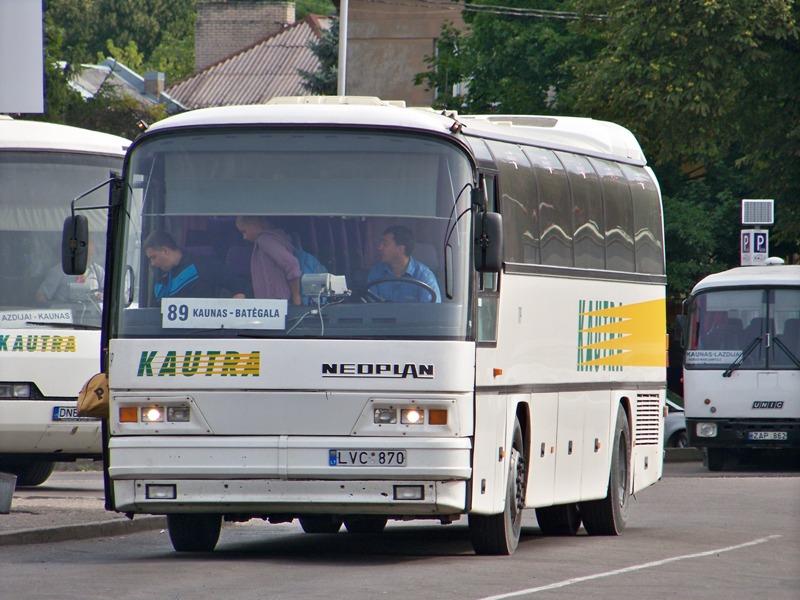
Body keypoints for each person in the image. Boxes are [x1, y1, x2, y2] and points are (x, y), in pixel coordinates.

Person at [143, 231, 247, 300]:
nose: (153, 264)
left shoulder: (204, 265)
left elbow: (239, 288)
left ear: (165, 251)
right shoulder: (160, 282)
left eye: (153, 257)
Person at [235, 216, 302, 305]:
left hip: (275, 302)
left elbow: (292, 264)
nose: (245, 237)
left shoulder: (264, 240)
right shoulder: (277, 238)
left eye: (244, 231)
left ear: (254, 224)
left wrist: (296, 296)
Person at [366, 225, 441, 303]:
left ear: (400, 249)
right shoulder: (376, 272)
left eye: (385, 244)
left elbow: (430, 311)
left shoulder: (425, 276)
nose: (380, 247)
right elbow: (370, 308)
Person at [36, 240, 104, 304]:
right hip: (66, 313)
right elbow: (41, 296)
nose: (89, 257)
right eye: (86, 254)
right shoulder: (59, 270)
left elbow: (108, 295)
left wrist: (101, 296)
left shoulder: (98, 271)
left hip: (92, 315)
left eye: (91, 254)